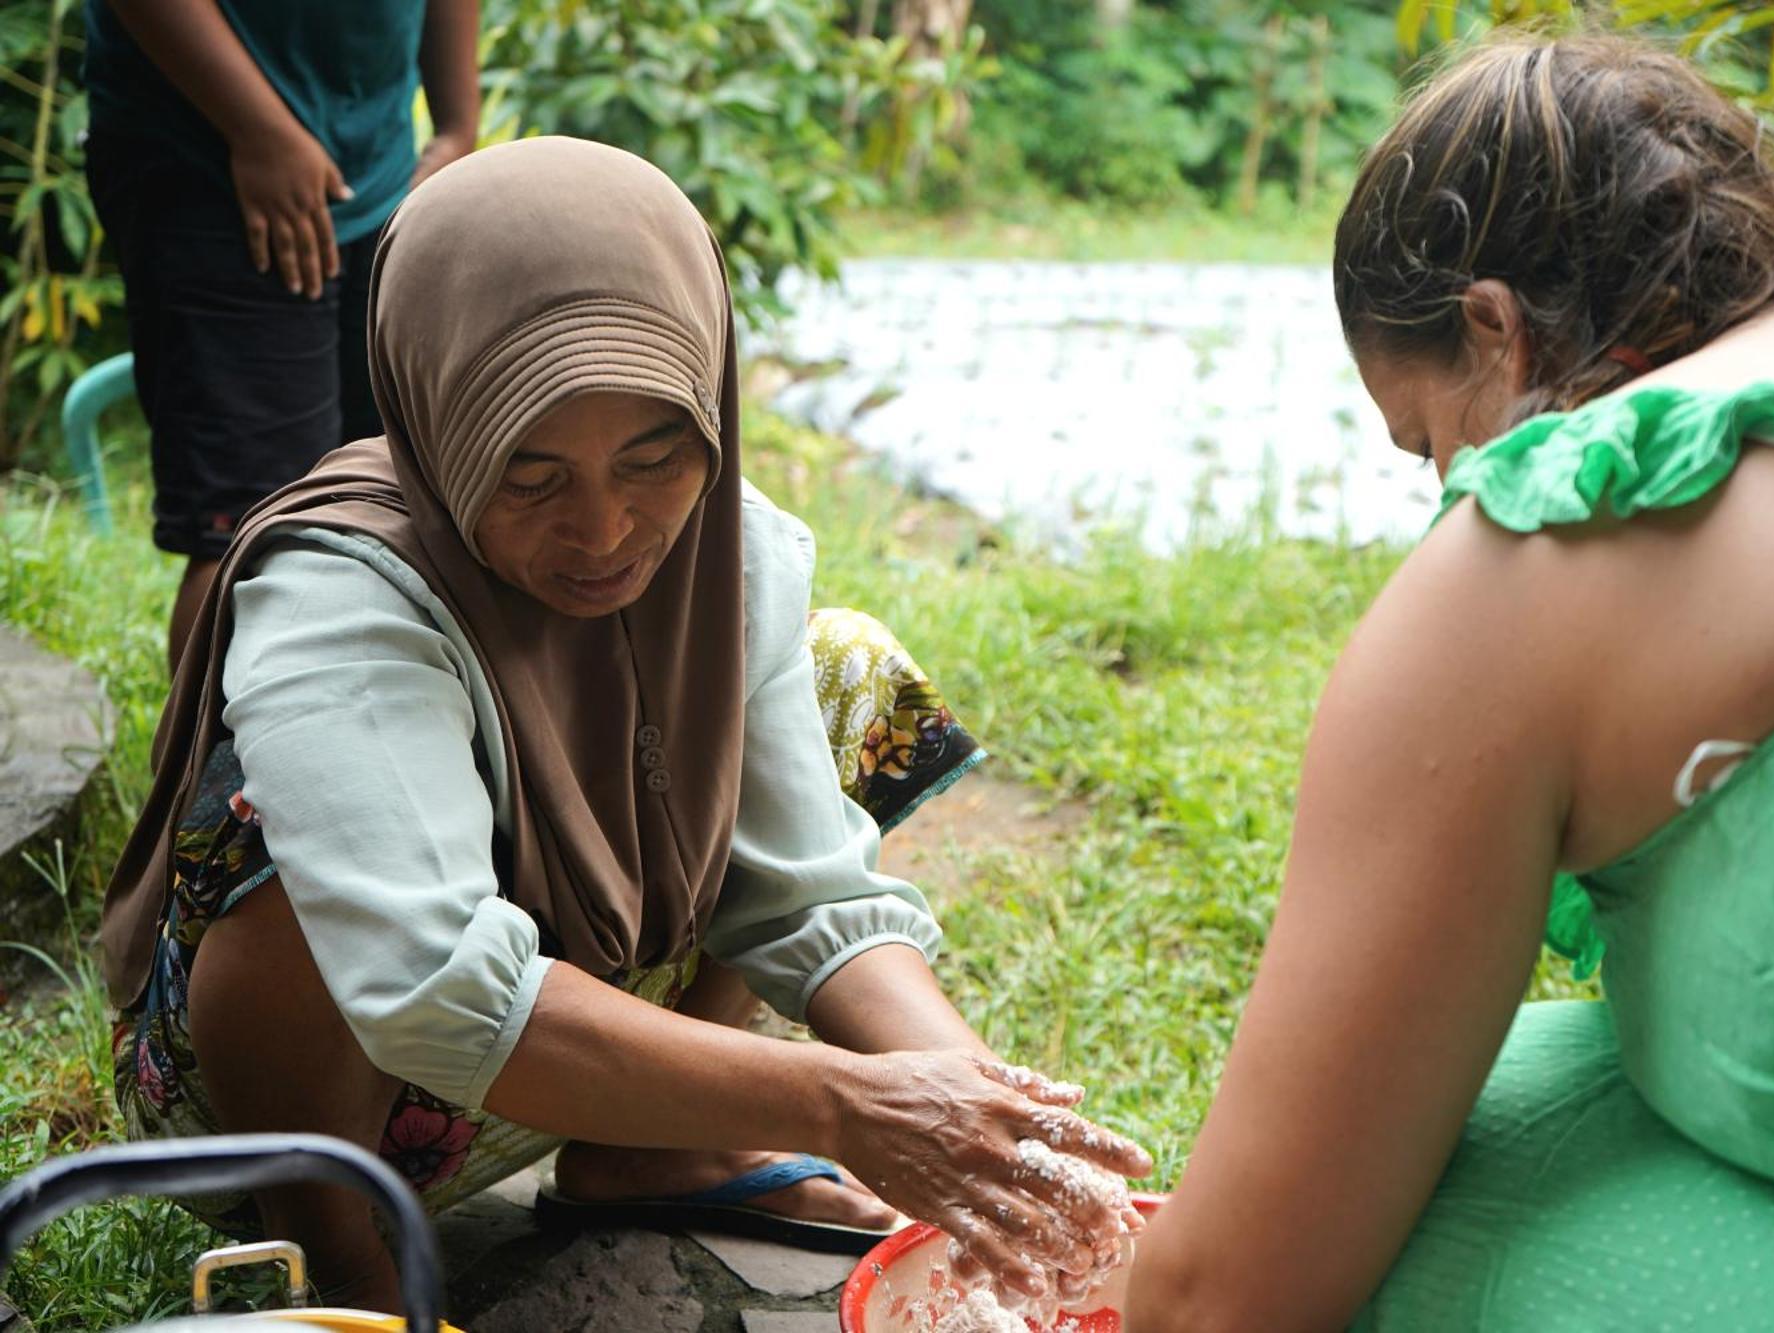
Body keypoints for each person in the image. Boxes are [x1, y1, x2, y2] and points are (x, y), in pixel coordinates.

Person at [102, 137, 1148, 1314]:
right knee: (272, 834)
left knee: (848, 670)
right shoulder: (339, 590)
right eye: (530, 476)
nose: (605, 532)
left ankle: (653, 1149)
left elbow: (809, 896)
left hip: (587, 1038)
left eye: (654, 458)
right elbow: (433, 978)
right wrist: (837, 1101)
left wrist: (979, 1115)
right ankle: (335, 1253)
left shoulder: (729, 556)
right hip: (343, 1103)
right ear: (435, 417)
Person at [1123, 34, 1774, 1332]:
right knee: (1544, 1073)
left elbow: (1223, 1298)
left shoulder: (1540, 531)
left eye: (1429, 442)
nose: (1446, 491)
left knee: (1421, 1218)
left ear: (1494, 327)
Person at [83, 0, 482, 665]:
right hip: (208, 157)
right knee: (252, 531)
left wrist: (456, 129)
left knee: (394, 504)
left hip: (381, 166)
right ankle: (199, 770)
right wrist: (258, 130)